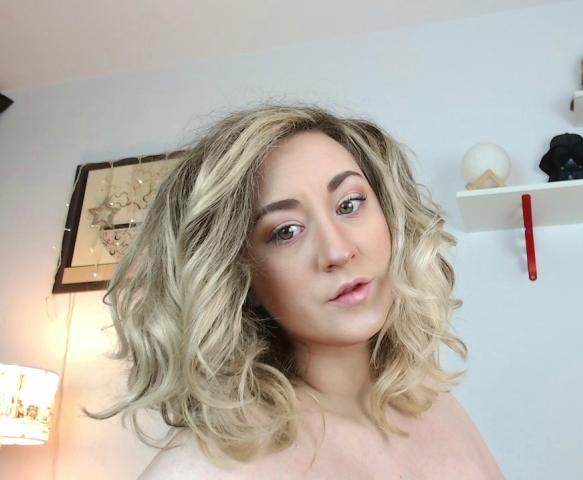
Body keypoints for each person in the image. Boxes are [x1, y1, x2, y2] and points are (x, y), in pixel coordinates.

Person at [88, 104, 504, 478]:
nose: (337, 251)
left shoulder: (432, 401)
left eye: (349, 204)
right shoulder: (204, 469)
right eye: (286, 231)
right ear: (238, 277)